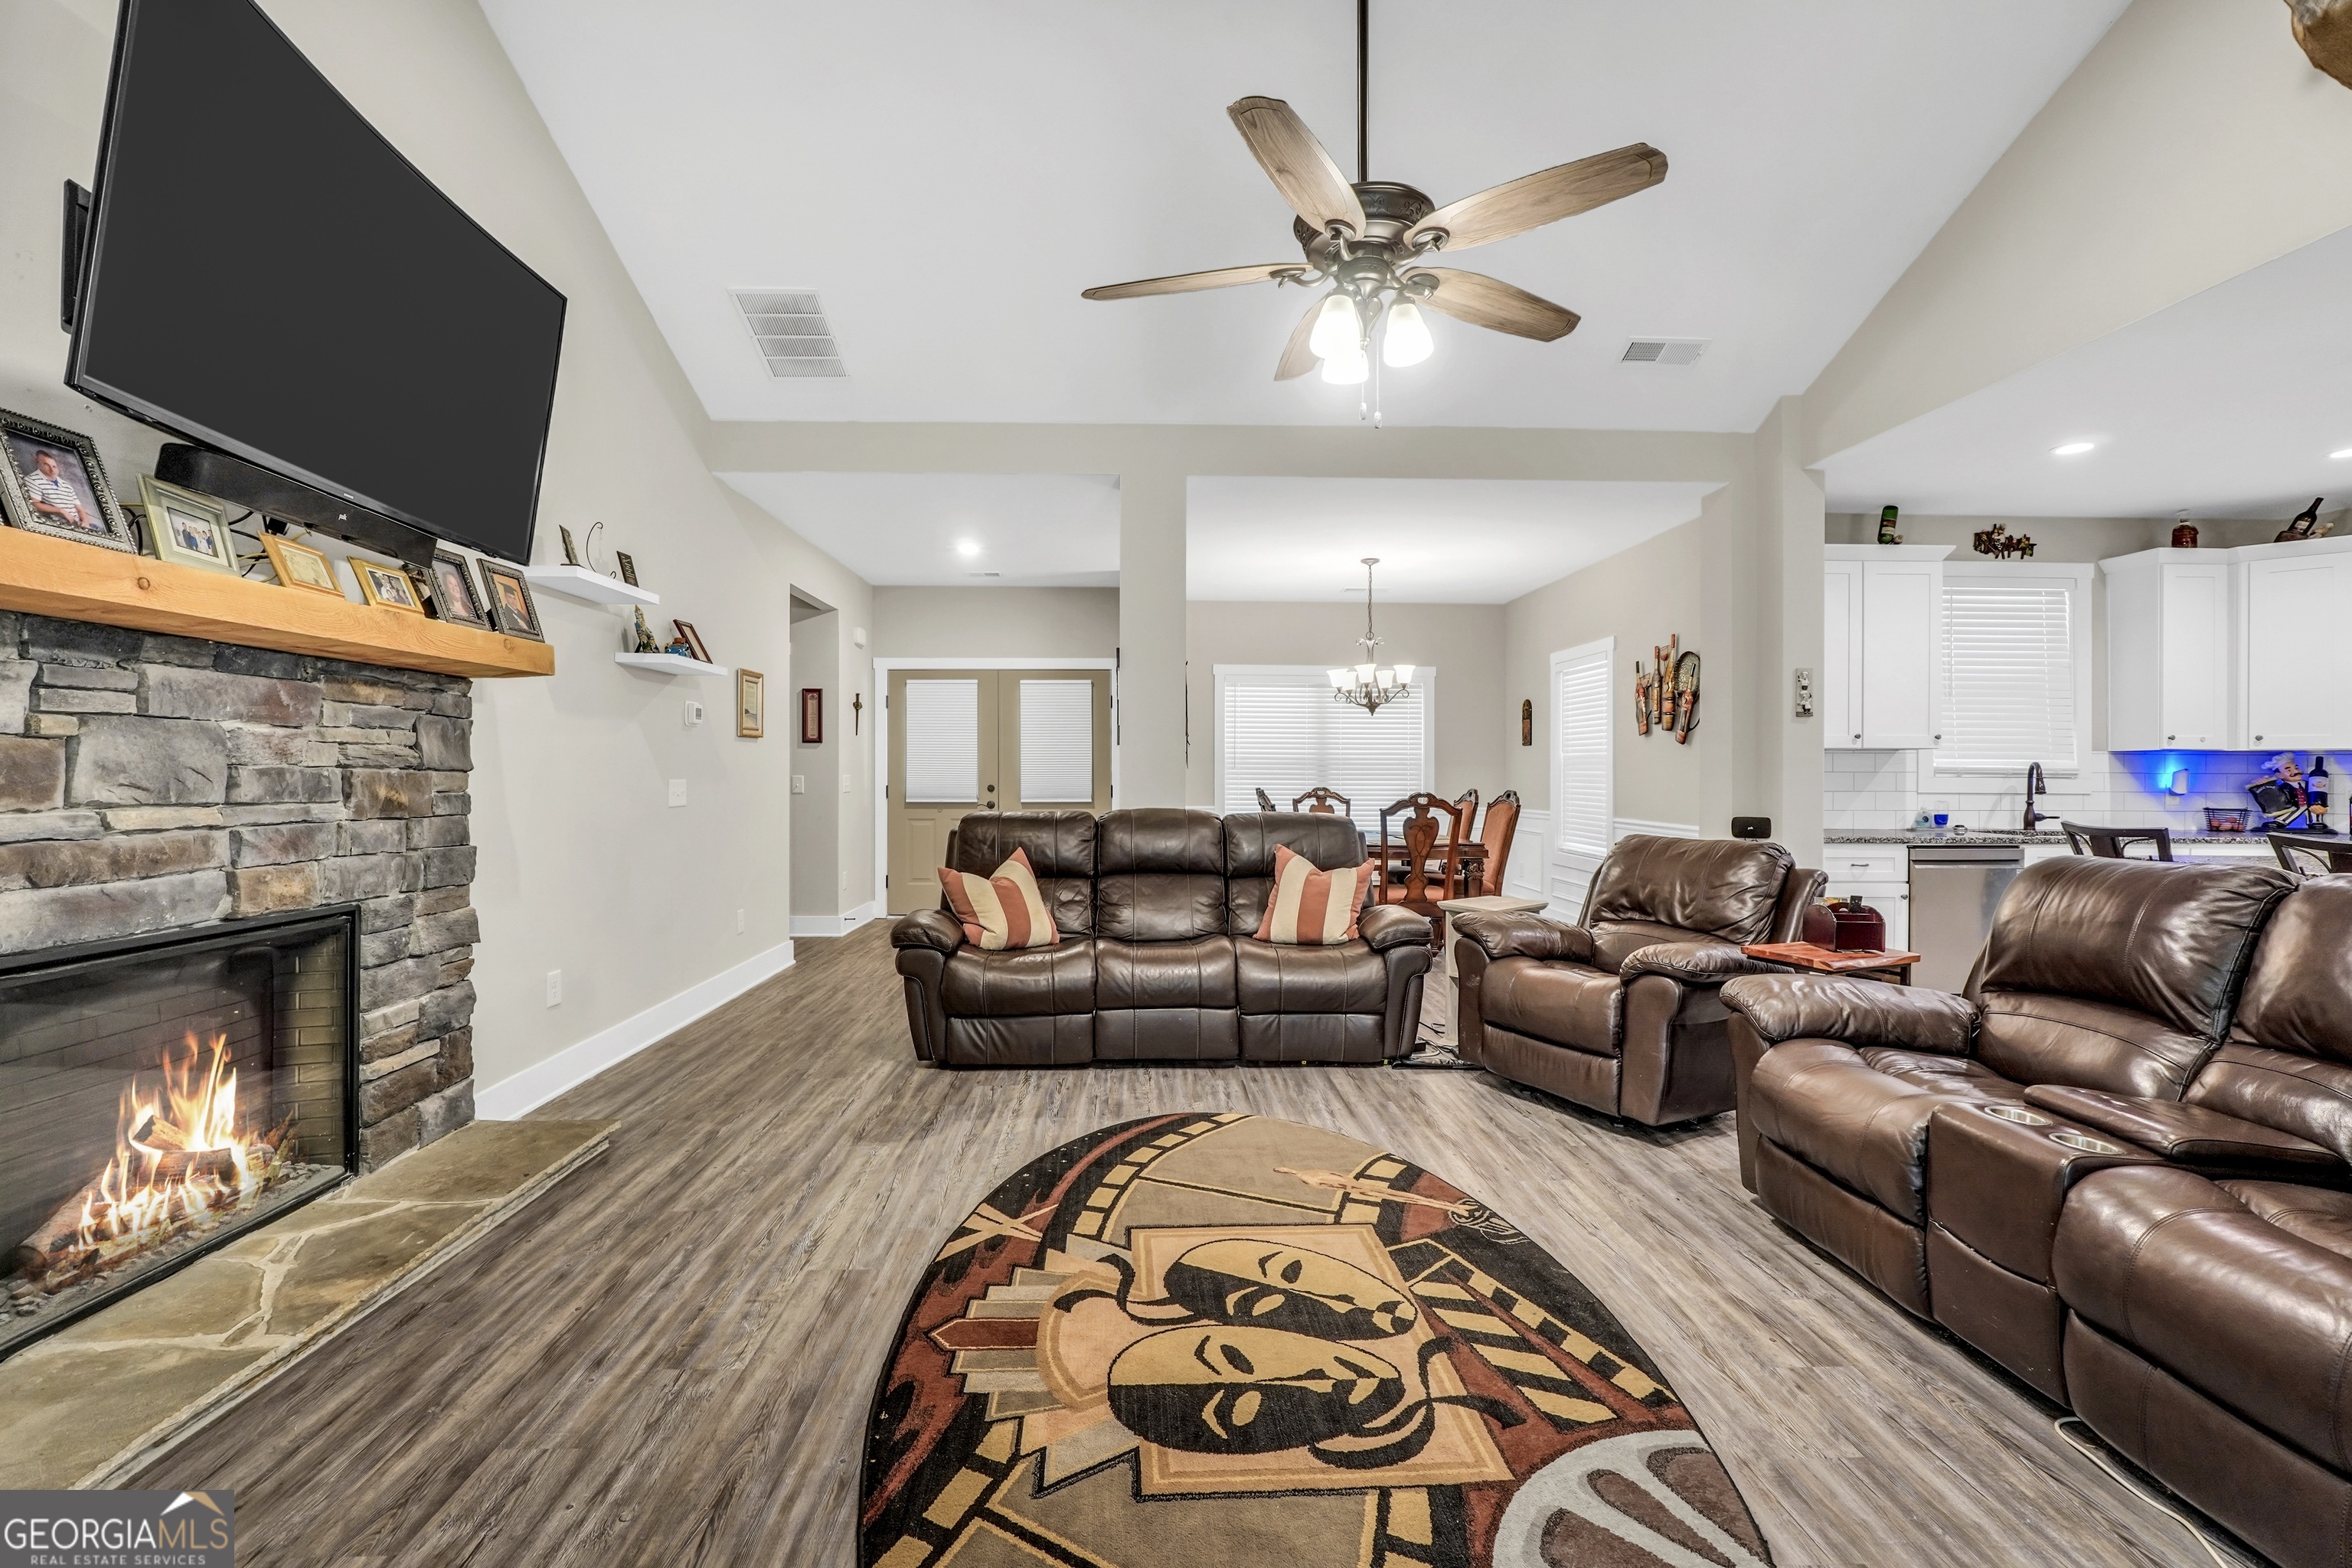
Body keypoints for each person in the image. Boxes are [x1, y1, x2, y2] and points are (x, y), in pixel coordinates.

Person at [21, 449, 99, 533]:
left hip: (78, 525)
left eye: (54, 466)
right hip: (58, 527)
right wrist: (60, 511)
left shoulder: (66, 485)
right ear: (38, 464)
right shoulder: (32, 480)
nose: (52, 469)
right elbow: (33, 504)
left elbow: (80, 509)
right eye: (46, 465)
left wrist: (85, 522)